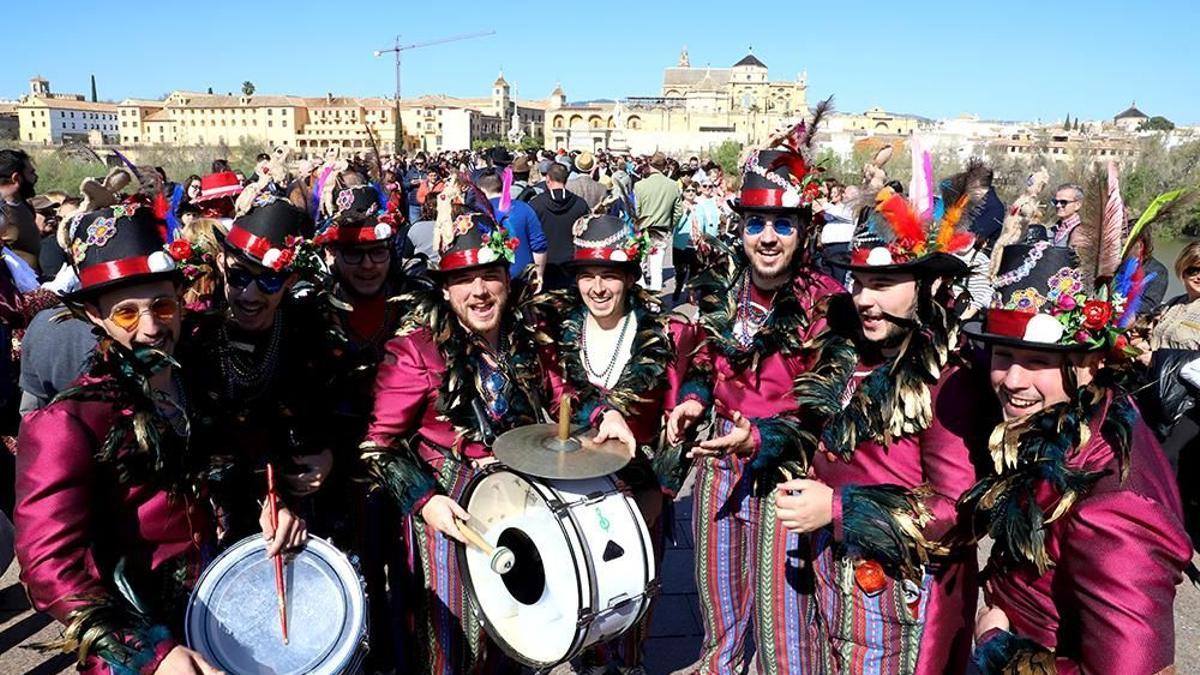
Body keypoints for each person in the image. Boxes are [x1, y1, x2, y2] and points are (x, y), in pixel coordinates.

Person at [14, 201, 306, 674]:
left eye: (162, 306)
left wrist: (269, 505)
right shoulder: (68, 421)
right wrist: (151, 653)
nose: (152, 328)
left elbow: (241, 464)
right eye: (127, 314)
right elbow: (47, 566)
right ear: (95, 316)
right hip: (143, 649)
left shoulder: (203, 379)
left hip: (224, 623)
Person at [774, 183, 984, 674]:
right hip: (836, 583)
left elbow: (959, 511)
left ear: (928, 287)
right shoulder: (853, 355)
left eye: (884, 284)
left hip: (901, 603)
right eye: (859, 283)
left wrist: (838, 508)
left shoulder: (949, 381)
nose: (865, 299)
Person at [665, 108, 845, 675]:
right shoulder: (722, 288)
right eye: (756, 224)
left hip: (787, 475)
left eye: (782, 224)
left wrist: (761, 437)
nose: (767, 237)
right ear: (739, 228)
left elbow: (829, 406)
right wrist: (694, 397)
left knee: (784, 633)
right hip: (718, 464)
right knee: (718, 621)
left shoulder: (828, 303)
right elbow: (702, 359)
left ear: (803, 229)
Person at [960, 240, 1194, 674]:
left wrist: (995, 645)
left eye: (1037, 361)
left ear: (1091, 362)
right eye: (1004, 355)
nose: (1012, 380)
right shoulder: (1081, 419)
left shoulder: (1116, 504)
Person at [361, 206, 543, 675]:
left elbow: (566, 395)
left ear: (508, 278)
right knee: (454, 646)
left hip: (520, 505)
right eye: (464, 280)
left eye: (490, 276)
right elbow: (378, 444)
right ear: (445, 290)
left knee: (518, 626)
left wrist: (603, 416)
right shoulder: (416, 350)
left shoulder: (527, 339)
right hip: (449, 514)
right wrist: (424, 501)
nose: (479, 291)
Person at [530, 213, 694, 675]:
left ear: (628, 278)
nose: (598, 288)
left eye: (610, 277)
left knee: (639, 584)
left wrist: (658, 493)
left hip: (641, 486)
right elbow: (553, 393)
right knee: (583, 583)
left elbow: (678, 423)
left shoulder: (664, 334)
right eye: (588, 276)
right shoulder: (557, 335)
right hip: (575, 484)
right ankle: (590, 660)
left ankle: (633, 661)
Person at [178, 193, 342, 545]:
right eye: (238, 277)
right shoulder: (193, 340)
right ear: (222, 264)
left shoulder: (311, 334)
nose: (250, 294)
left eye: (267, 280)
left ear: (289, 280)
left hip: (308, 512)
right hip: (225, 515)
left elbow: (343, 414)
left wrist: (330, 455)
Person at [530, 162, 591, 291]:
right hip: (571, 263)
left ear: (547, 179)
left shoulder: (535, 204)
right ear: (566, 179)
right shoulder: (580, 204)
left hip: (545, 264)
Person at [478, 170, 547, 281]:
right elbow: (539, 245)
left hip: (491, 279)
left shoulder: (476, 213)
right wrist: (539, 275)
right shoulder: (524, 208)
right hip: (522, 276)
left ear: (482, 190)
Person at [634, 153, 683, 292]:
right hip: (662, 230)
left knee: (640, 264)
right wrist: (670, 224)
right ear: (665, 167)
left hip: (644, 229)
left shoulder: (639, 185)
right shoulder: (673, 185)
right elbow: (678, 211)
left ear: (650, 165)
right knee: (656, 268)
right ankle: (654, 301)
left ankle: (641, 293)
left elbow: (636, 210)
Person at [671, 180, 718, 304]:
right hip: (681, 244)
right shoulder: (679, 206)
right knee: (681, 272)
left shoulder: (699, 207)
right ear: (683, 193)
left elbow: (705, 224)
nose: (691, 193)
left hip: (695, 244)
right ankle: (678, 287)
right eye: (688, 191)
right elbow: (677, 226)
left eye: (692, 190)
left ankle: (691, 293)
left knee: (694, 271)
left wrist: (706, 239)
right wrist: (685, 213)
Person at [404, 154, 428, 224]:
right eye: (417, 164)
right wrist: (411, 183)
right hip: (414, 203)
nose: (419, 165)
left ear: (425, 163)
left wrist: (425, 182)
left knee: (426, 225)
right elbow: (404, 185)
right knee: (414, 225)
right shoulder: (411, 172)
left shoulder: (429, 172)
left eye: (421, 163)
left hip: (426, 204)